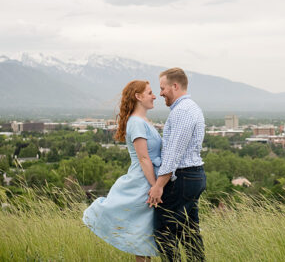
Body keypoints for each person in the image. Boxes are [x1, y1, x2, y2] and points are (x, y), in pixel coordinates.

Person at [82, 79, 161, 261]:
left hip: (147, 181)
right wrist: (155, 187)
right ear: (138, 97)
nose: (154, 96)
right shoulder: (136, 123)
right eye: (150, 93)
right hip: (142, 183)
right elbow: (143, 158)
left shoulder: (143, 121)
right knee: (140, 234)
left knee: (143, 235)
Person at [147, 68, 207, 262]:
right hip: (192, 177)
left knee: (163, 231)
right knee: (189, 233)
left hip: (182, 178)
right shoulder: (190, 108)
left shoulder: (182, 112)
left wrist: (158, 186)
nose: (161, 93)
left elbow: (174, 154)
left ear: (175, 86)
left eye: (163, 88)